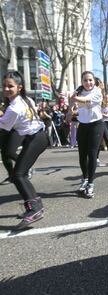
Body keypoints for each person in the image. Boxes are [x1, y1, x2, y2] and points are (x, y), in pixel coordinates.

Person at [0, 71, 48, 229]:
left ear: (19, 87)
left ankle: (35, 208)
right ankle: (34, 204)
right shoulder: (23, 99)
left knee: (18, 175)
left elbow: (3, 128)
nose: (6, 89)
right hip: (35, 137)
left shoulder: (14, 108)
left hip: (37, 138)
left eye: (10, 86)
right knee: (17, 174)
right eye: (4, 86)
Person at [70, 72, 104, 198]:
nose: (88, 83)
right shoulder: (78, 92)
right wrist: (70, 110)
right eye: (85, 80)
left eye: (90, 80)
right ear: (82, 81)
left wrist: (75, 98)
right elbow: (72, 105)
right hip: (82, 126)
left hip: (96, 125)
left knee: (92, 154)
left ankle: (90, 184)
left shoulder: (97, 92)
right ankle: (84, 179)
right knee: (82, 155)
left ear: (94, 81)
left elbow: (86, 101)